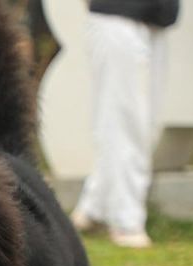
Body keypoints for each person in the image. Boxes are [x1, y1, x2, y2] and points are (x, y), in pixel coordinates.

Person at [71, 0, 180, 248]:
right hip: (116, 16)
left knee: (143, 125)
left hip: (157, 19)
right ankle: (125, 220)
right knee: (124, 122)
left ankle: (94, 207)